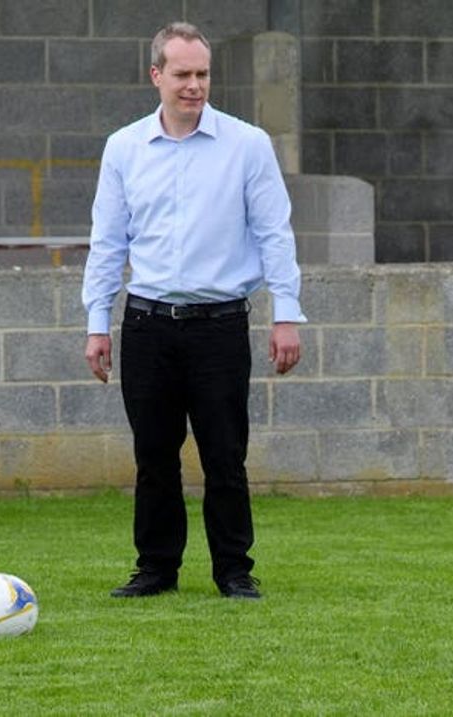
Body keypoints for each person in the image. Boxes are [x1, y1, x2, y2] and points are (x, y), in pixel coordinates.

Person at [81, 21, 305, 600]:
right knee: (153, 456)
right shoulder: (124, 148)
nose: (194, 86)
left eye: (202, 74)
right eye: (182, 74)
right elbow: (107, 243)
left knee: (225, 455)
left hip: (221, 326)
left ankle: (234, 570)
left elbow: (275, 233)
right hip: (148, 325)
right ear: (156, 75)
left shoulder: (247, 145)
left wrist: (286, 314)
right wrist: (96, 324)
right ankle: (156, 569)